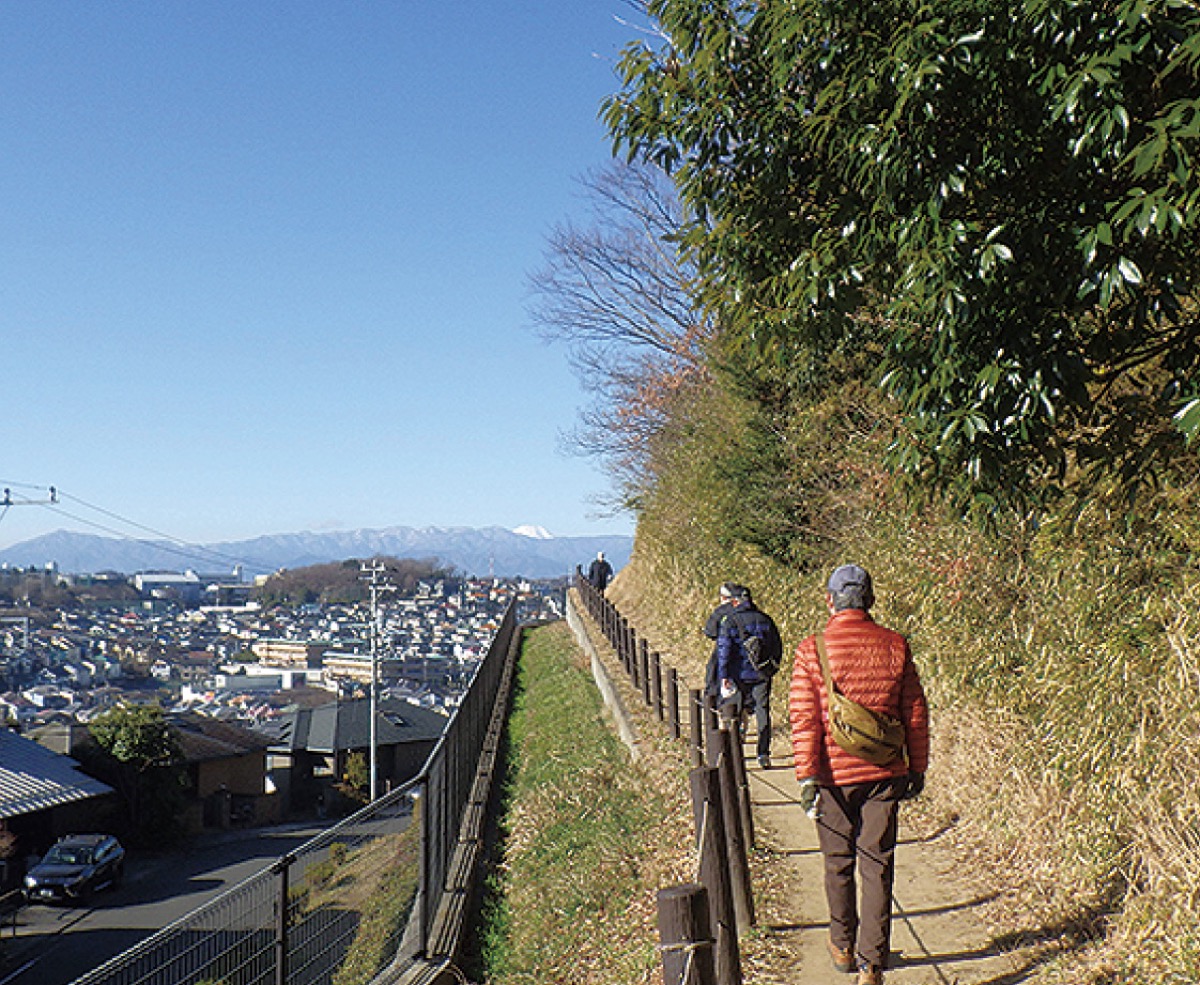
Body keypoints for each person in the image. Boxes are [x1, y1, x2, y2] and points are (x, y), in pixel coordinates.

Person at [788, 564, 929, 985]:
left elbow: (804, 717)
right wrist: (917, 766)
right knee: (877, 864)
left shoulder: (812, 650)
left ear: (830, 600)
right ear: (870, 600)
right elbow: (915, 711)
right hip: (885, 772)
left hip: (833, 775)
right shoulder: (895, 645)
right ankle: (872, 963)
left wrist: (807, 776)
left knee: (838, 862)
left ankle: (842, 946)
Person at [714, 584, 783, 769]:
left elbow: (724, 651)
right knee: (762, 710)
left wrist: (724, 675)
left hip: (738, 675)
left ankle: (736, 753)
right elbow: (777, 646)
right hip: (762, 674)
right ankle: (763, 753)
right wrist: (772, 667)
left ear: (735, 602)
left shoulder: (730, 621)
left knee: (734, 713)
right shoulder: (765, 619)